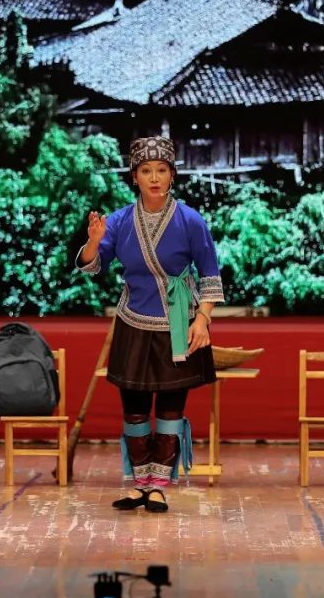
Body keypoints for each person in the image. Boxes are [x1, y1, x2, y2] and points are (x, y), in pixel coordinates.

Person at [77, 136, 224, 513]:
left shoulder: (191, 220)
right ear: (135, 177)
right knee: (134, 408)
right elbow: (93, 266)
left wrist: (202, 319)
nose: (154, 178)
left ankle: (159, 485)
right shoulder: (119, 221)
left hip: (179, 321)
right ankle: (139, 482)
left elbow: (210, 274)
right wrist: (93, 242)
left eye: (161, 170)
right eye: (146, 171)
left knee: (171, 409)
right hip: (133, 321)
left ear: (172, 175)